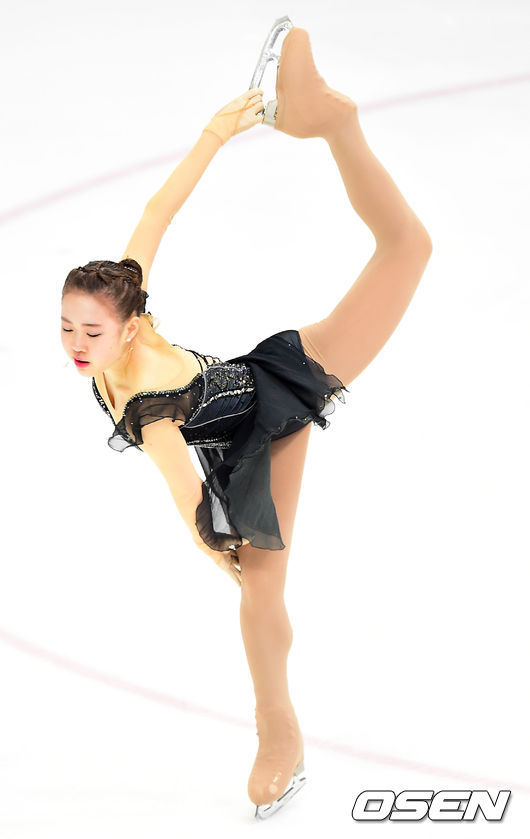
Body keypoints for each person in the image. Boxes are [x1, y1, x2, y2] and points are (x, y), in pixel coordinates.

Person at [60, 25, 432, 820]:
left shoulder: (135, 337)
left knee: (408, 247)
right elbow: (188, 496)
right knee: (261, 595)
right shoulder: (131, 385)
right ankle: (279, 730)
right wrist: (219, 551)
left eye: (90, 330)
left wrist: (217, 131)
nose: (77, 345)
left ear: (130, 320)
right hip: (247, 441)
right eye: (66, 329)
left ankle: (334, 120)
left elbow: (160, 207)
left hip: (277, 382)